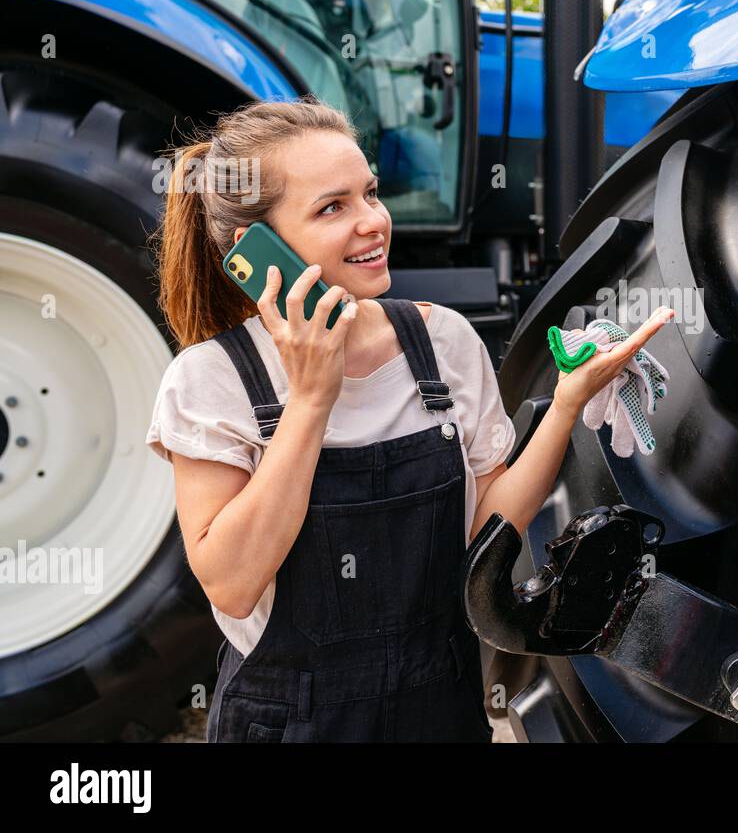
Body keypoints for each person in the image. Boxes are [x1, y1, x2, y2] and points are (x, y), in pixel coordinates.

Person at [144, 98, 672, 742]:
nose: (372, 222)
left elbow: (487, 531)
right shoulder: (210, 380)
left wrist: (565, 403)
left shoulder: (443, 343)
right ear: (258, 248)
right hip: (291, 724)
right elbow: (231, 583)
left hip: (439, 711)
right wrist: (311, 401)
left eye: (370, 192)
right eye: (331, 207)